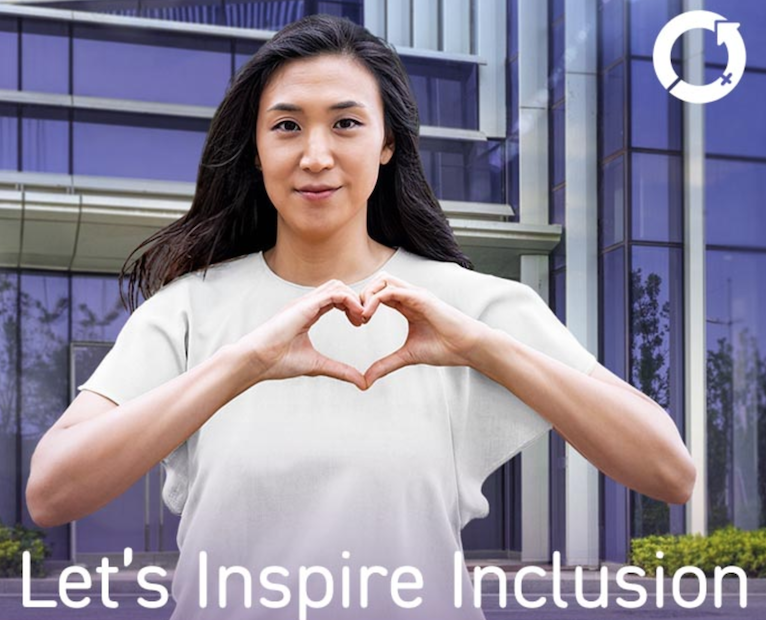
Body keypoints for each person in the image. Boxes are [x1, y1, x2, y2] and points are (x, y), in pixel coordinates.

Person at [26, 14, 695, 620]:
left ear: (387, 144)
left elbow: (669, 471)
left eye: (346, 123)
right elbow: (53, 493)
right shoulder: (189, 310)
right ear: (256, 150)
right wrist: (241, 365)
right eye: (287, 125)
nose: (315, 154)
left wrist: (482, 348)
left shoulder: (473, 306)